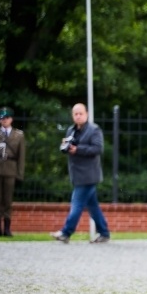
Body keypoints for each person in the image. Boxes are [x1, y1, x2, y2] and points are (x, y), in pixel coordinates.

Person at [50, 104, 111, 244]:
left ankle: (66, 232)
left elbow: (98, 149)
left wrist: (78, 149)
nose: (78, 116)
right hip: (76, 174)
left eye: (80, 113)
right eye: (75, 114)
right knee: (93, 206)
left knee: (76, 204)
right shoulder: (71, 130)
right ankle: (104, 233)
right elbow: (68, 147)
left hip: (89, 175)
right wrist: (65, 147)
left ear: (86, 114)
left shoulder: (94, 130)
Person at [0, 107, 25, 236]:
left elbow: (21, 156)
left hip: (11, 169)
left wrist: (19, 174)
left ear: (11, 119)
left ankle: (7, 228)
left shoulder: (19, 135)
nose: (4, 120)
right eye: (2, 118)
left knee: (7, 200)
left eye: (7, 118)